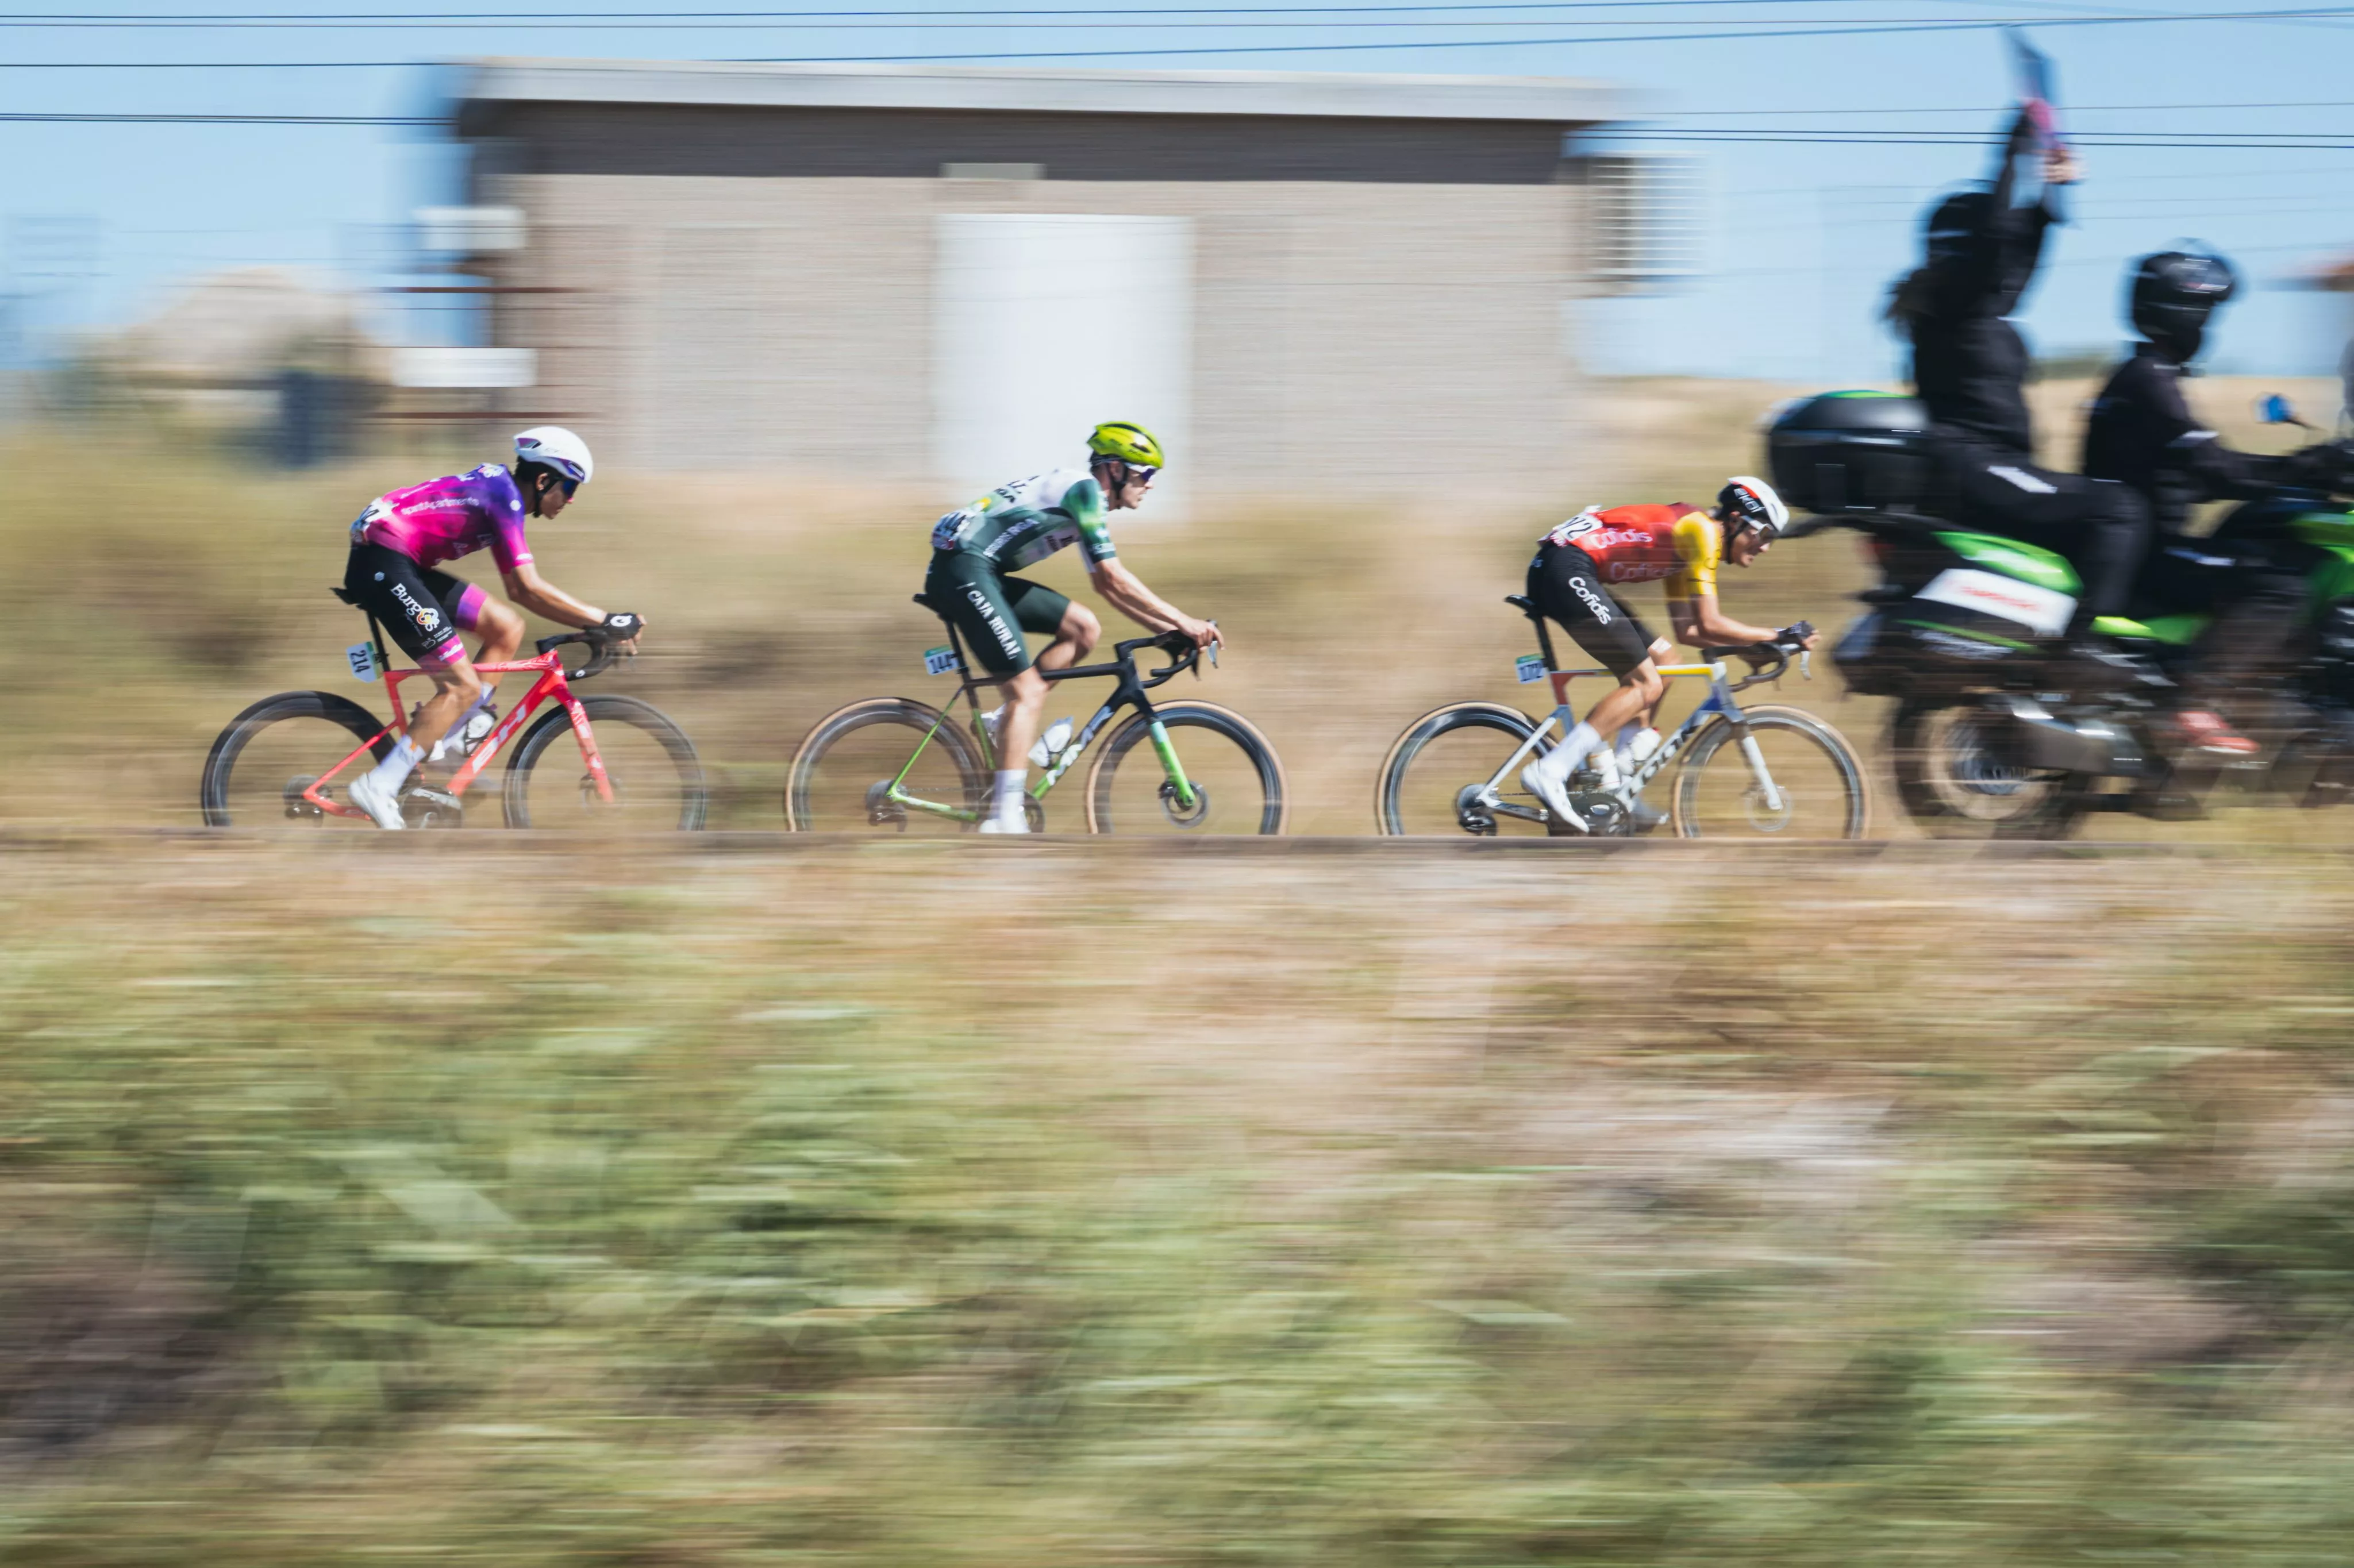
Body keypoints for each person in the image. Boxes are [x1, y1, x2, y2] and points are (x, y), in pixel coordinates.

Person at [1888, 107, 2153, 643]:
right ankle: (2083, 650)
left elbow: (2015, 252)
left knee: (2090, 519)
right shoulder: (1955, 305)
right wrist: (2018, 148)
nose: (2012, 268)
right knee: (2120, 510)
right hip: (1977, 464)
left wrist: (2052, 196)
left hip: (1989, 465)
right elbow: (1997, 238)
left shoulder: (1966, 305)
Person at [2082, 249, 2338, 757]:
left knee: (2266, 549)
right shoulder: (2149, 380)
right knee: (2280, 583)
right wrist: (2305, 466)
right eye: (2209, 312)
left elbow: (2191, 478)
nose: (2211, 325)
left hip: (2144, 546)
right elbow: (2212, 465)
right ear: (2186, 313)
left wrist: (2291, 474)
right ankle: (2196, 696)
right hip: (2150, 556)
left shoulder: (2144, 376)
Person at [340, 426, 642, 830]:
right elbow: (525, 587)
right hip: (382, 562)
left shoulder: (503, 491)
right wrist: (603, 620)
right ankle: (380, 784)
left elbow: (519, 599)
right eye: (569, 489)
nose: (569, 500)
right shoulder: (504, 498)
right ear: (543, 479)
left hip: (398, 559)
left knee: (505, 628)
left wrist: (595, 621)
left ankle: (449, 748)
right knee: (461, 687)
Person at [925, 421, 1220, 834]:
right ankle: (1004, 817)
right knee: (1027, 691)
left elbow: (1104, 586)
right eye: (1145, 473)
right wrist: (1184, 620)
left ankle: (1007, 719)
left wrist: (1170, 629)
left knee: (1083, 628)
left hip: (979, 568)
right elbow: (1115, 578)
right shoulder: (1085, 492)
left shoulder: (1083, 500)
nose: (1150, 485)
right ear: (1115, 469)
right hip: (964, 570)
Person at [1518, 477, 1819, 833]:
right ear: (1737, 520)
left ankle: (1618, 789)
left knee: (1665, 662)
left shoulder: (1689, 543)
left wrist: (1749, 648)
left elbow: (1690, 630)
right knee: (1645, 682)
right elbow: (1710, 622)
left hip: (1569, 568)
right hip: (1565, 569)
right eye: (1764, 535)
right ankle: (1550, 770)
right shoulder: (1703, 533)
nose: (1765, 548)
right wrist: (1777, 635)